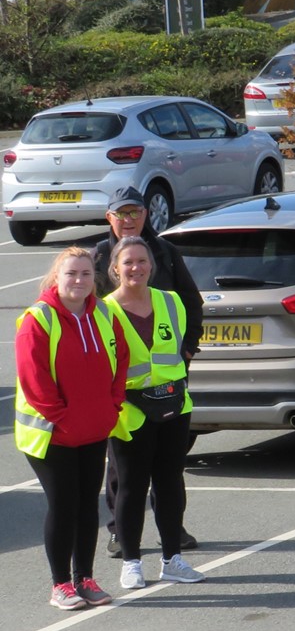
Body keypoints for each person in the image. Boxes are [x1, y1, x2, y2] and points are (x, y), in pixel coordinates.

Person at [16, 247, 128, 610]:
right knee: (63, 505)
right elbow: (35, 381)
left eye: (85, 274)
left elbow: (120, 360)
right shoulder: (39, 318)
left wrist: (111, 408)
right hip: (51, 434)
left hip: (93, 430)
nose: (78, 280)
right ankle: (60, 584)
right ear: (56, 278)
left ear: (94, 279)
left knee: (86, 507)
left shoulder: (104, 313)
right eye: (71, 274)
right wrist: (63, 419)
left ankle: (85, 578)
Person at [94, 185, 203, 558]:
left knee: (169, 468)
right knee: (123, 471)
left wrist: (187, 348)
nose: (128, 220)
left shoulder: (166, 252)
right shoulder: (98, 257)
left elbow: (191, 302)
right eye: (120, 213)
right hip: (122, 392)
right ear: (109, 218)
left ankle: (173, 529)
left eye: (134, 212)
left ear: (146, 214)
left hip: (170, 383)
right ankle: (119, 531)